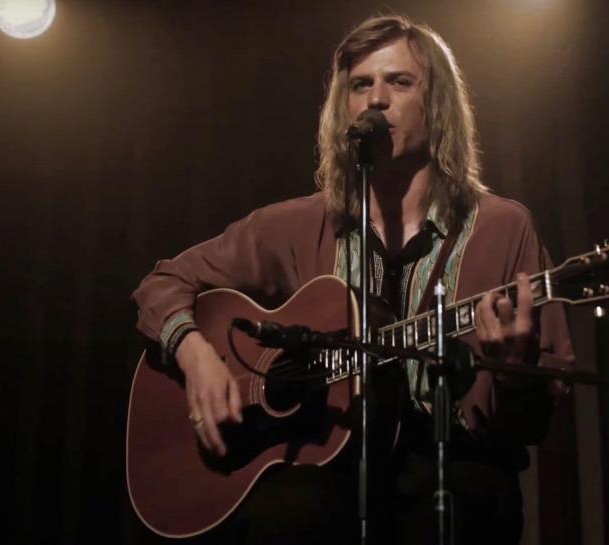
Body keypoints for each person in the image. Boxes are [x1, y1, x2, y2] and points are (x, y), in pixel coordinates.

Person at [132, 14, 574, 545]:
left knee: (466, 503)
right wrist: (195, 355)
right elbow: (163, 284)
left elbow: (536, 419)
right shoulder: (296, 225)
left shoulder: (503, 227)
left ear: (437, 105)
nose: (376, 99)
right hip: (325, 464)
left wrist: (513, 373)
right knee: (288, 514)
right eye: (361, 84)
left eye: (400, 81)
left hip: (451, 466)